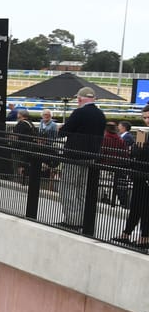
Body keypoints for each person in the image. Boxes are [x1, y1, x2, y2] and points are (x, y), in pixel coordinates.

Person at [58, 87, 107, 228]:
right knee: (82, 189)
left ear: (79, 99)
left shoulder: (79, 113)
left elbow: (64, 132)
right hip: (91, 156)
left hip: (74, 156)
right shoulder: (100, 114)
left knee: (67, 187)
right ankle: (83, 221)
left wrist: (61, 128)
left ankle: (72, 221)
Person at [120, 107, 149, 247]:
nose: (146, 120)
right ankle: (127, 233)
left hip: (145, 176)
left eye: (148, 117)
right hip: (139, 176)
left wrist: (138, 151)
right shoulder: (145, 133)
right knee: (136, 205)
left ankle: (145, 237)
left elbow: (144, 154)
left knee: (144, 208)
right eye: (144, 117)